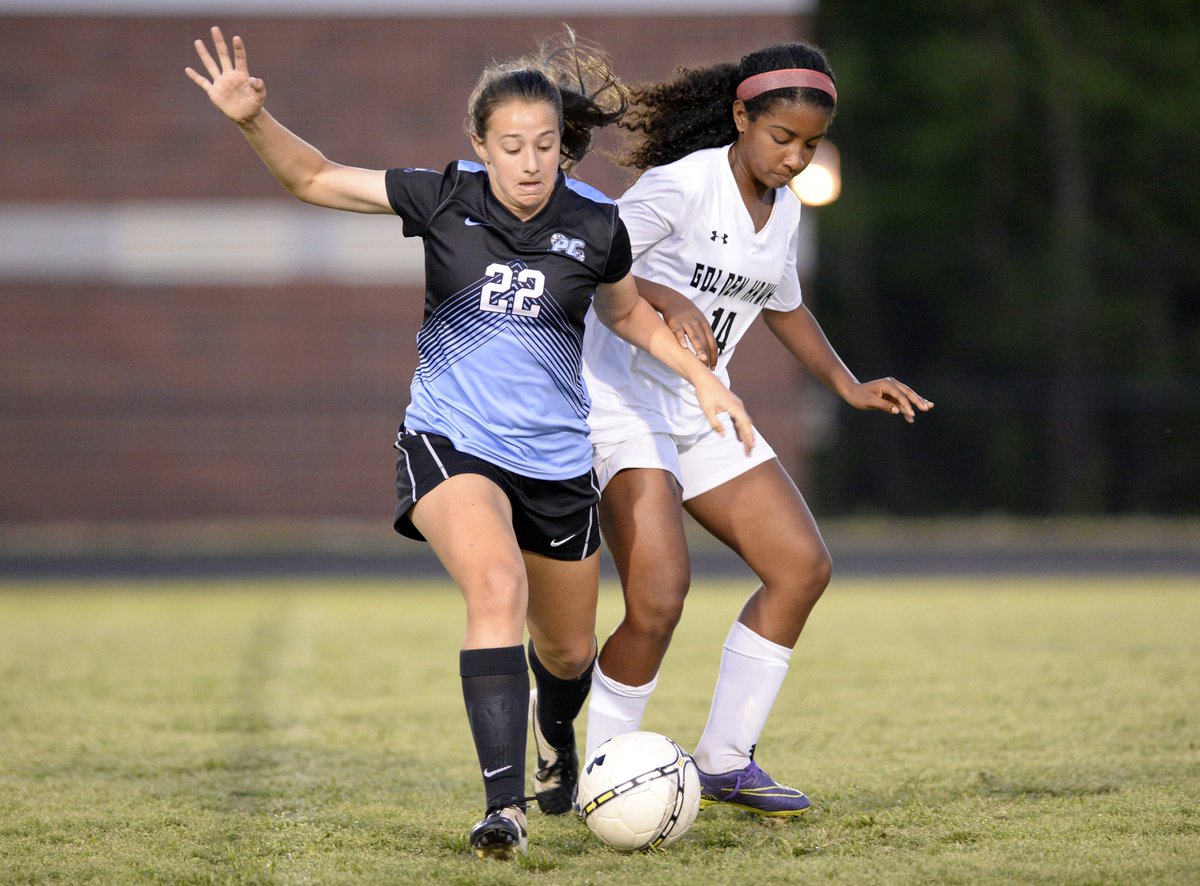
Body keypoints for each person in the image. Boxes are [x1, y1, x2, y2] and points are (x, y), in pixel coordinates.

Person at [185, 26, 754, 858]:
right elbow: (312, 177)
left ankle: (557, 735)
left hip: (558, 461)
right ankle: (504, 808)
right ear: (480, 145)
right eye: (512, 146)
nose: (530, 163)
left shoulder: (597, 225)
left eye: (547, 146)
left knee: (566, 651)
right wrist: (250, 121)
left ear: (565, 146)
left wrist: (704, 379)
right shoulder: (443, 197)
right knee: (494, 587)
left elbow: (628, 314)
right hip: (453, 441)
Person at [581, 41, 933, 816]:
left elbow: (784, 304)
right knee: (661, 596)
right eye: (782, 138)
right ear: (740, 117)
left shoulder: (788, 207)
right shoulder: (681, 185)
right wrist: (669, 298)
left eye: (810, 144)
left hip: (705, 409)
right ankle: (600, 775)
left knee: (802, 566)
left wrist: (848, 384)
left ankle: (724, 760)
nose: (796, 157)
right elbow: (595, 264)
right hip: (620, 401)